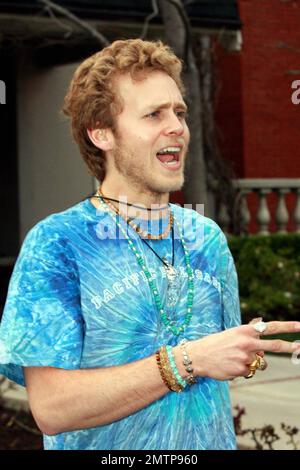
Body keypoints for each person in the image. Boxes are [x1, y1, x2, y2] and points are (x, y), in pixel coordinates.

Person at [0, 39, 299, 451]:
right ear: (101, 133)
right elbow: (53, 407)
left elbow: (216, 362)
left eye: (179, 112)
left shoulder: (207, 239)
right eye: (153, 114)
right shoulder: (56, 246)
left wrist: (244, 348)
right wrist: (186, 360)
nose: (176, 126)